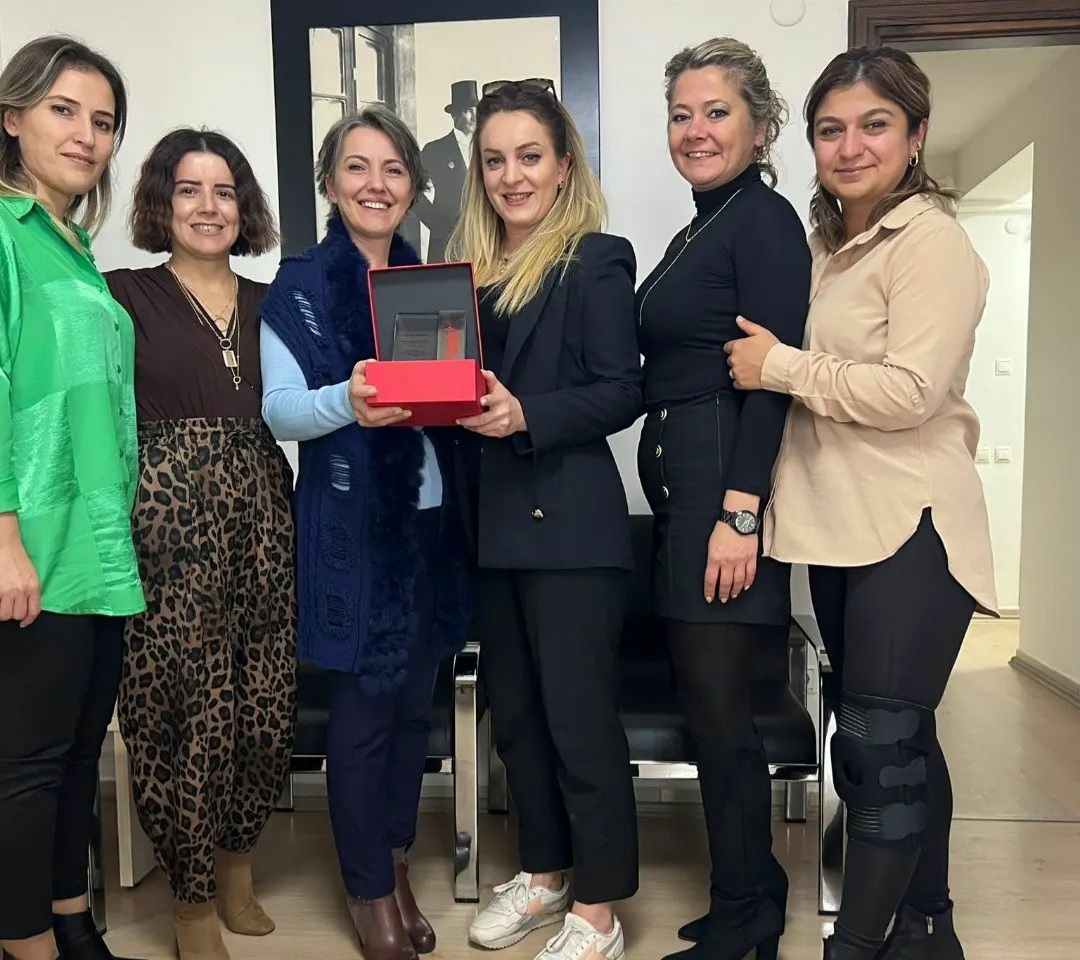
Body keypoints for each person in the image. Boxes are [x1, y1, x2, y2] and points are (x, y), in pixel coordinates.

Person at [726, 46, 997, 960]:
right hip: (842, 527)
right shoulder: (826, 246)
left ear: (916, 135)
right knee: (899, 739)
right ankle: (928, 928)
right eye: (830, 129)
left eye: (874, 125)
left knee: (879, 752)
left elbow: (911, 392)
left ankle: (857, 946)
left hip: (910, 524)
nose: (850, 147)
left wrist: (780, 366)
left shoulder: (930, 243)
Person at [259, 107, 470, 960]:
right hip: (353, 527)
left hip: (432, 527)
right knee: (362, 717)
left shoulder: (432, 281)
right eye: (357, 167)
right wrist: (349, 399)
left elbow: (446, 403)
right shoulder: (301, 286)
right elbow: (280, 410)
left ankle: (396, 860)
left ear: (413, 187)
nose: (376, 184)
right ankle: (367, 888)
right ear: (330, 181)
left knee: (414, 710)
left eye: (393, 169)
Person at [442, 78, 642, 960]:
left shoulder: (595, 259)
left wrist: (529, 414)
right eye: (495, 160)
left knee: (578, 723)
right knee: (518, 722)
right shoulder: (466, 276)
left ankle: (598, 913)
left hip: (570, 528)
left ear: (564, 165)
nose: (511, 176)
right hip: (491, 528)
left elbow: (623, 389)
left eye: (530, 157)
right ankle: (547, 875)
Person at [635, 38, 811, 960]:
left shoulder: (764, 222)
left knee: (721, 716)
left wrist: (740, 514)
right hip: (689, 491)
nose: (695, 130)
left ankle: (748, 917)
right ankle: (751, 889)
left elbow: (772, 381)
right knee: (709, 710)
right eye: (681, 113)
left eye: (716, 112)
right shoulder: (703, 226)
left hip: (720, 495)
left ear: (761, 125)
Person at [104, 128, 296, 960]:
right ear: (162, 202)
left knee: (264, 700)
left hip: (265, 518)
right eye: (189, 190)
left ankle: (236, 865)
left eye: (225, 192)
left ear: (244, 208)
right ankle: (189, 900)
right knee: (181, 710)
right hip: (166, 525)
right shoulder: (121, 294)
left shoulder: (274, 303)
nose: (209, 207)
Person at [0, 36, 147, 960]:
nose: (86, 135)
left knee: (76, 756)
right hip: (34, 542)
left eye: (102, 120)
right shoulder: (3, 234)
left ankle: (68, 917)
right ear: (12, 117)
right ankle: (28, 946)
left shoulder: (76, 247)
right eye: (64, 110)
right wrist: (2, 538)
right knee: (24, 768)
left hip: (98, 545)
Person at [415, 79, 478, 262]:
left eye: (477, 111)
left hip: (481, 241)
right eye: (468, 111)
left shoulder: (486, 149)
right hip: (445, 244)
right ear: (454, 115)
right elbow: (411, 189)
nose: (474, 117)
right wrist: (437, 224)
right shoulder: (435, 150)